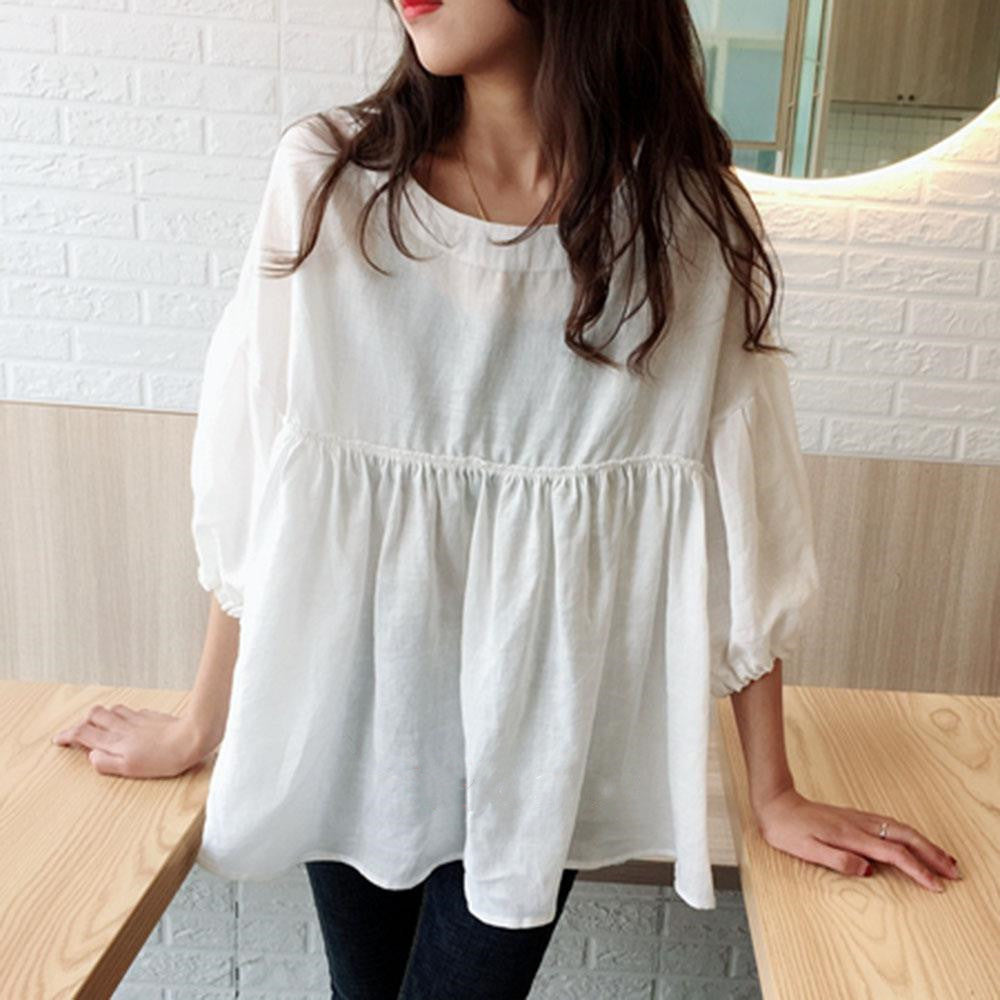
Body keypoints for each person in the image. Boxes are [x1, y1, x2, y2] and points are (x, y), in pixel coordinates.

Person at [51, 0, 963, 997]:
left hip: (545, 729)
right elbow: (264, 480)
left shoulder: (682, 227)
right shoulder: (331, 183)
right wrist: (200, 721)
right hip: (357, 696)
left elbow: (745, 510)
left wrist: (772, 788)